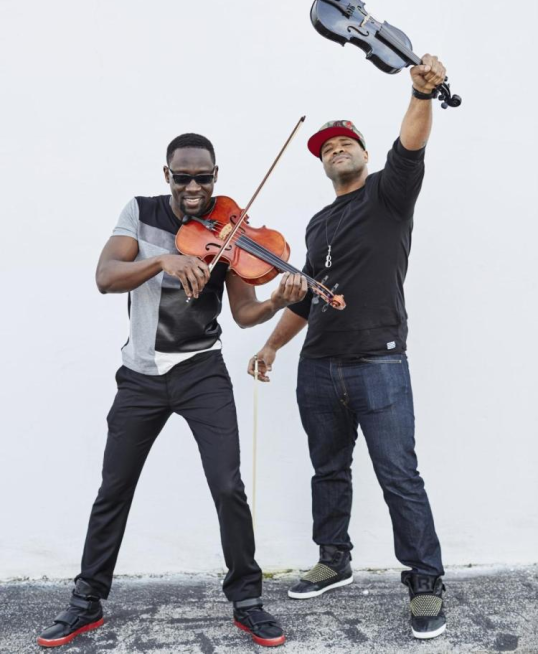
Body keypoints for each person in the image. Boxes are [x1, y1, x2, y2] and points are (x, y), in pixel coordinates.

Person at [37, 132, 307, 648]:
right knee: (113, 489)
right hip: (139, 376)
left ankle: (247, 600)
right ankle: (86, 601)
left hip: (201, 372)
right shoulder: (138, 213)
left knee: (228, 485)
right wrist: (162, 260)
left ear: (215, 176)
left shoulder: (229, 229)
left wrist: (276, 302)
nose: (192, 187)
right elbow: (105, 275)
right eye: (182, 176)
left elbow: (245, 313)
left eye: (202, 177)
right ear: (167, 176)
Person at [248, 55, 448, 640]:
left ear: (362, 151)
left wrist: (419, 93)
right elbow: (309, 297)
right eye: (327, 148)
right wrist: (272, 346)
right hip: (318, 367)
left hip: (379, 361)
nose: (336, 149)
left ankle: (426, 583)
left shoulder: (389, 193)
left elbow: (410, 145)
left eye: (345, 142)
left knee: (399, 475)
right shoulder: (316, 224)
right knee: (328, 471)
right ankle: (333, 560)